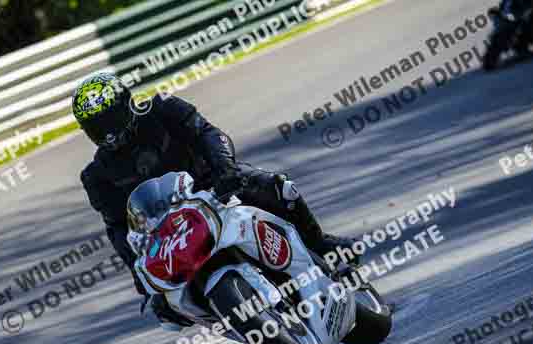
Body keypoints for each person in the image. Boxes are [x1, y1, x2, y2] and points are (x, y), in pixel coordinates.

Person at [73, 73, 355, 325]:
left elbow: (208, 133)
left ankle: (320, 243)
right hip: (167, 231)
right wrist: (141, 280)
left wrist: (226, 169)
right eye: (96, 127)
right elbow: (118, 227)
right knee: (166, 304)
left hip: (214, 187)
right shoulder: (96, 175)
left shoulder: (162, 108)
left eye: (109, 120)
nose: (107, 133)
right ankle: (236, 323)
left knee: (278, 187)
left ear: (126, 105)